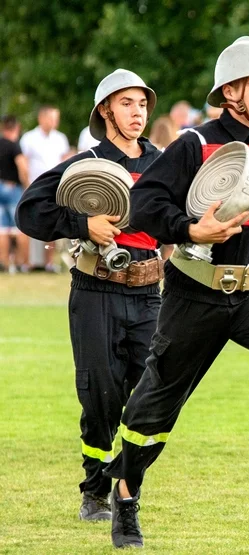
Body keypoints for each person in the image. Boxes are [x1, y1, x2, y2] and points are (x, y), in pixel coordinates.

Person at [103, 37, 249, 549]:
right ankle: (125, 491)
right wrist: (189, 230)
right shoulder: (192, 144)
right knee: (157, 410)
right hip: (194, 297)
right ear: (230, 92)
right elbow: (141, 207)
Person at [15, 69, 164, 521]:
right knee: (100, 395)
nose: (136, 112)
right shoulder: (86, 162)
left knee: (154, 393)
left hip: (150, 294)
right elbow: (29, 211)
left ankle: (124, 481)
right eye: (126, 103)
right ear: (105, 111)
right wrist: (83, 225)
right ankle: (96, 493)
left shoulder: (164, 163)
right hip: (94, 290)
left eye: (141, 104)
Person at [20, 105, 70, 272]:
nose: (55, 122)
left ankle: (49, 263)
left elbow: (64, 161)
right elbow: (24, 162)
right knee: (30, 221)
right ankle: (28, 263)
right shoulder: (29, 138)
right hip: (34, 185)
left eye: (56, 119)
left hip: (55, 187)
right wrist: (26, 184)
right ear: (42, 118)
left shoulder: (60, 138)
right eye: (52, 118)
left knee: (52, 222)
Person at [0, 115, 30, 272]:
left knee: (3, 229)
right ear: (16, 128)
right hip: (13, 189)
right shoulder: (14, 146)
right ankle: (22, 264)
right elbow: (22, 167)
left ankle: (4, 263)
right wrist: (26, 186)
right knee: (20, 228)